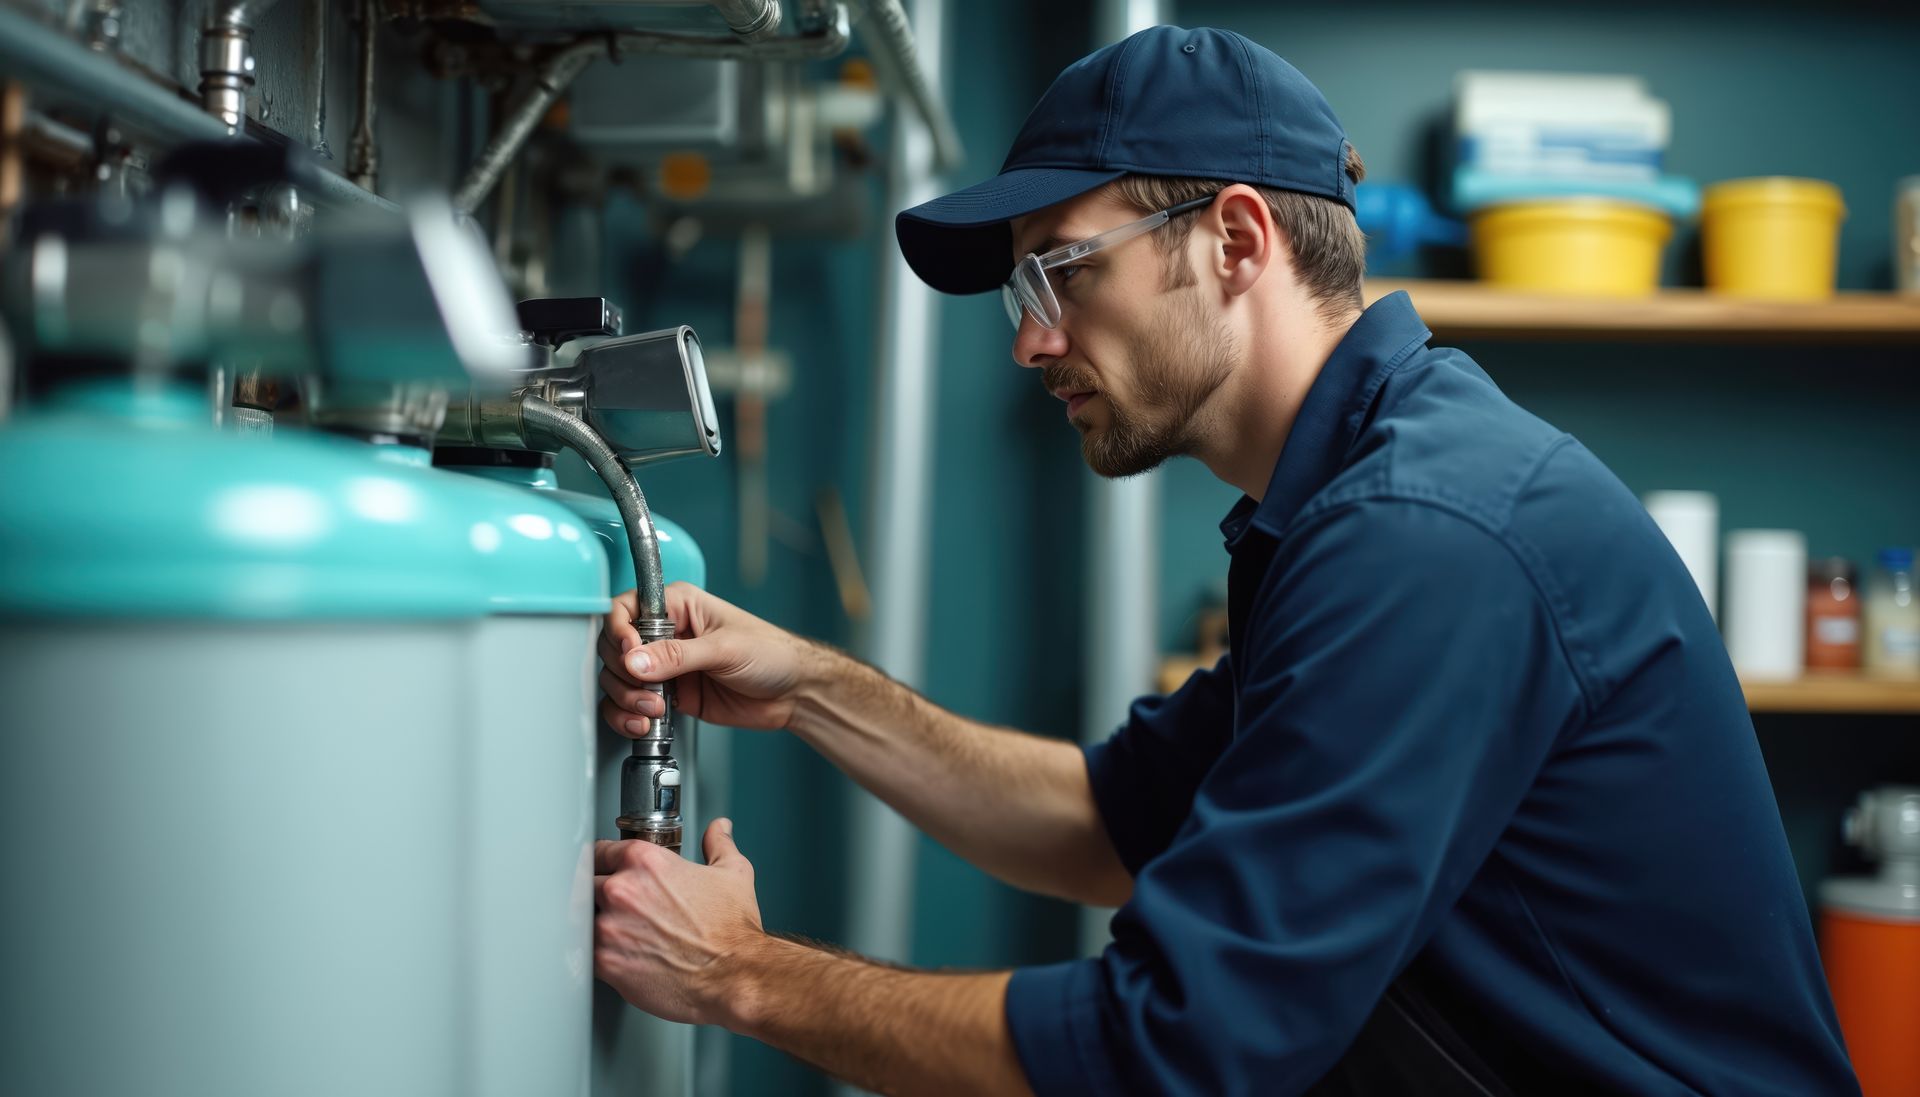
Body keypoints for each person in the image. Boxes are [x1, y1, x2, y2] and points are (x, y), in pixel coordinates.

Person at [589, 25, 1859, 1096]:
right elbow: (1107, 821)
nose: (1032, 343)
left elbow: (1182, 1047)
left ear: (1238, 240)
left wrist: (738, 973)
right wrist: (805, 684)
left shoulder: (1426, 533)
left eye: (1062, 272)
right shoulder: (1348, 501)